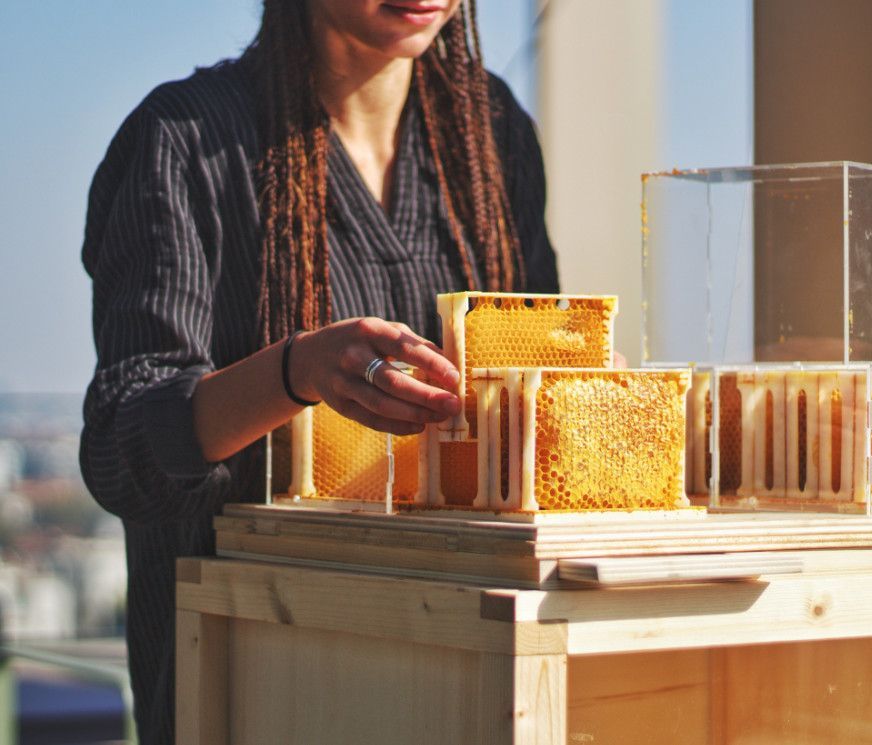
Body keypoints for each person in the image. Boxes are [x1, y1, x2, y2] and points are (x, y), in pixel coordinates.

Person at [79, 1, 558, 742]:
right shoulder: (183, 139)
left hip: (466, 686)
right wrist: (293, 373)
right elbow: (122, 449)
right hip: (247, 684)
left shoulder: (493, 133)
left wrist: (575, 390)